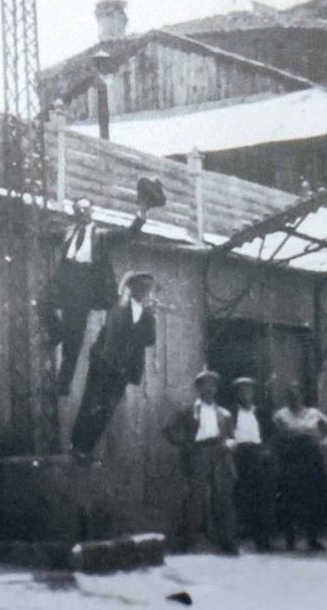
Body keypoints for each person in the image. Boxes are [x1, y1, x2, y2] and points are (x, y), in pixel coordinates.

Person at [41, 196, 147, 395]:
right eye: (78, 209)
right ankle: (56, 332)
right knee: (43, 302)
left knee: (74, 338)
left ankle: (63, 384)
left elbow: (128, 235)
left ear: (92, 211)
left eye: (85, 209)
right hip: (65, 281)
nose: (82, 213)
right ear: (74, 212)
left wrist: (141, 215)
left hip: (84, 286)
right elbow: (45, 234)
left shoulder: (102, 236)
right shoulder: (68, 232)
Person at [69, 272, 158, 462]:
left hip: (122, 370)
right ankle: (78, 447)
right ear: (132, 288)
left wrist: (149, 315)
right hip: (104, 364)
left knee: (106, 410)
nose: (146, 292)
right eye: (142, 287)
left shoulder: (146, 312)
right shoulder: (119, 305)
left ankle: (87, 449)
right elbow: (115, 332)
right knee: (91, 405)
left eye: (148, 288)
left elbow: (149, 340)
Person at [162, 369, 239, 555]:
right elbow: (167, 429)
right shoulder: (188, 410)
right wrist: (185, 445)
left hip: (219, 453)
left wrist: (230, 444)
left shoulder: (224, 413)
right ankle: (189, 542)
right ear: (198, 388)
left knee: (222, 498)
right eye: (205, 384)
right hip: (198, 453)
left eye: (213, 385)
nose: (209, 389)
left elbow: (232, 435)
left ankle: (227, 543)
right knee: (196, 498)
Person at [271, 387, 327, 552]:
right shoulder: (281, 415)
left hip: (311, 461)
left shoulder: (313, 413)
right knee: (289, 498)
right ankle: (290, 539)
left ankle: (312, 538)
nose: (295, 398)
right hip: (291, 460)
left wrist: (324, 442)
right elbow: (281, 433)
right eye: (291, 395)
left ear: (302, 396)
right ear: (287, 398)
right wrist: (307, 432)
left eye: (297, 395)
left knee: (312, 498)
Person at [227, 376, 274, 551]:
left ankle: (262, 540)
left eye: (248, 390)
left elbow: (270, 434)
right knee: (239, 497)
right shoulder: (230, 412)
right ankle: (238, 540)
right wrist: (231, 446)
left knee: (261, 499)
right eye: (241, 390)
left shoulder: (260, 412)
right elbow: (226, 433)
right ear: (236, 394)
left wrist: (266, 449)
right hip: (239, 455)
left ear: (253, 393)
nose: (245, 394)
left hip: (257, 455)